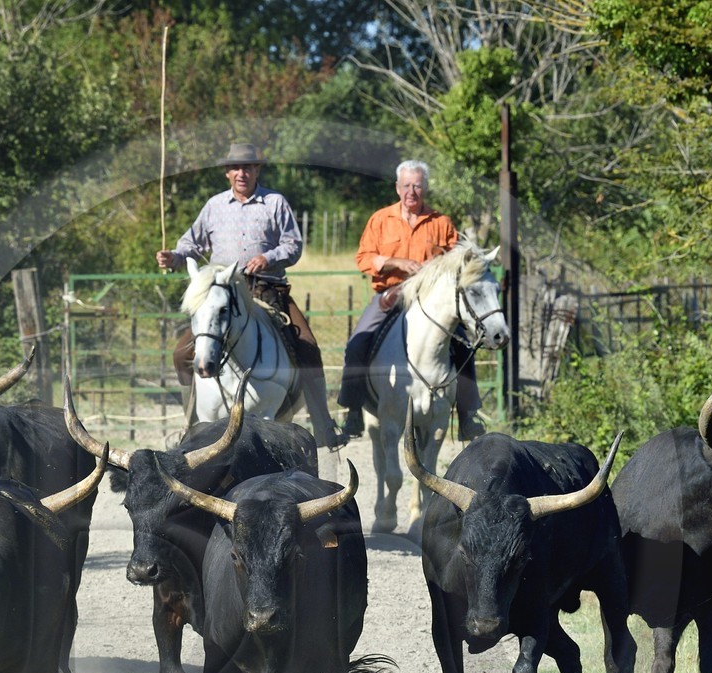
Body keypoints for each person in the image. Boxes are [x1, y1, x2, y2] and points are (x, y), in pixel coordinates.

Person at [158, 141, 342, 450]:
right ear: (227, 173)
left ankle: (323, 424)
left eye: (248, 167)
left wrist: (269, 257)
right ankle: (189, 423)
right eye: (235, 168)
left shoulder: (275, 203)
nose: (242, 173)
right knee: (181, 353)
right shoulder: (214, 206)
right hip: (222, 293)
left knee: (308, 346)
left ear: (257, 170)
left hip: (268, 290)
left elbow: (293, 245)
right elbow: (190, 244)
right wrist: (173, 257)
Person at [337, 161, 485, 441]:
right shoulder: (381, 219)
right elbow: (363, 258)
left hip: (432, 299)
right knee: (358, 343)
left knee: (463, 343)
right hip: (391, 295)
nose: (411, 191)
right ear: (397, 187)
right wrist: (395, 262)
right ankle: (353, 411)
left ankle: (468, 415)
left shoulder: (441, 223)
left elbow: (458, 262)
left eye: (417, 185)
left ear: (425, 187)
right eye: (406, 185)